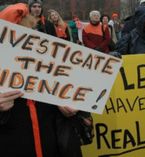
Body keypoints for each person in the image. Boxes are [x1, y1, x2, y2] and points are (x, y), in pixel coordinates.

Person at [0, 2, 86, 157]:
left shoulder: (52, 69)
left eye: (32, 34)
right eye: (18, 37)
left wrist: (71, 109)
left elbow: (79, 110)